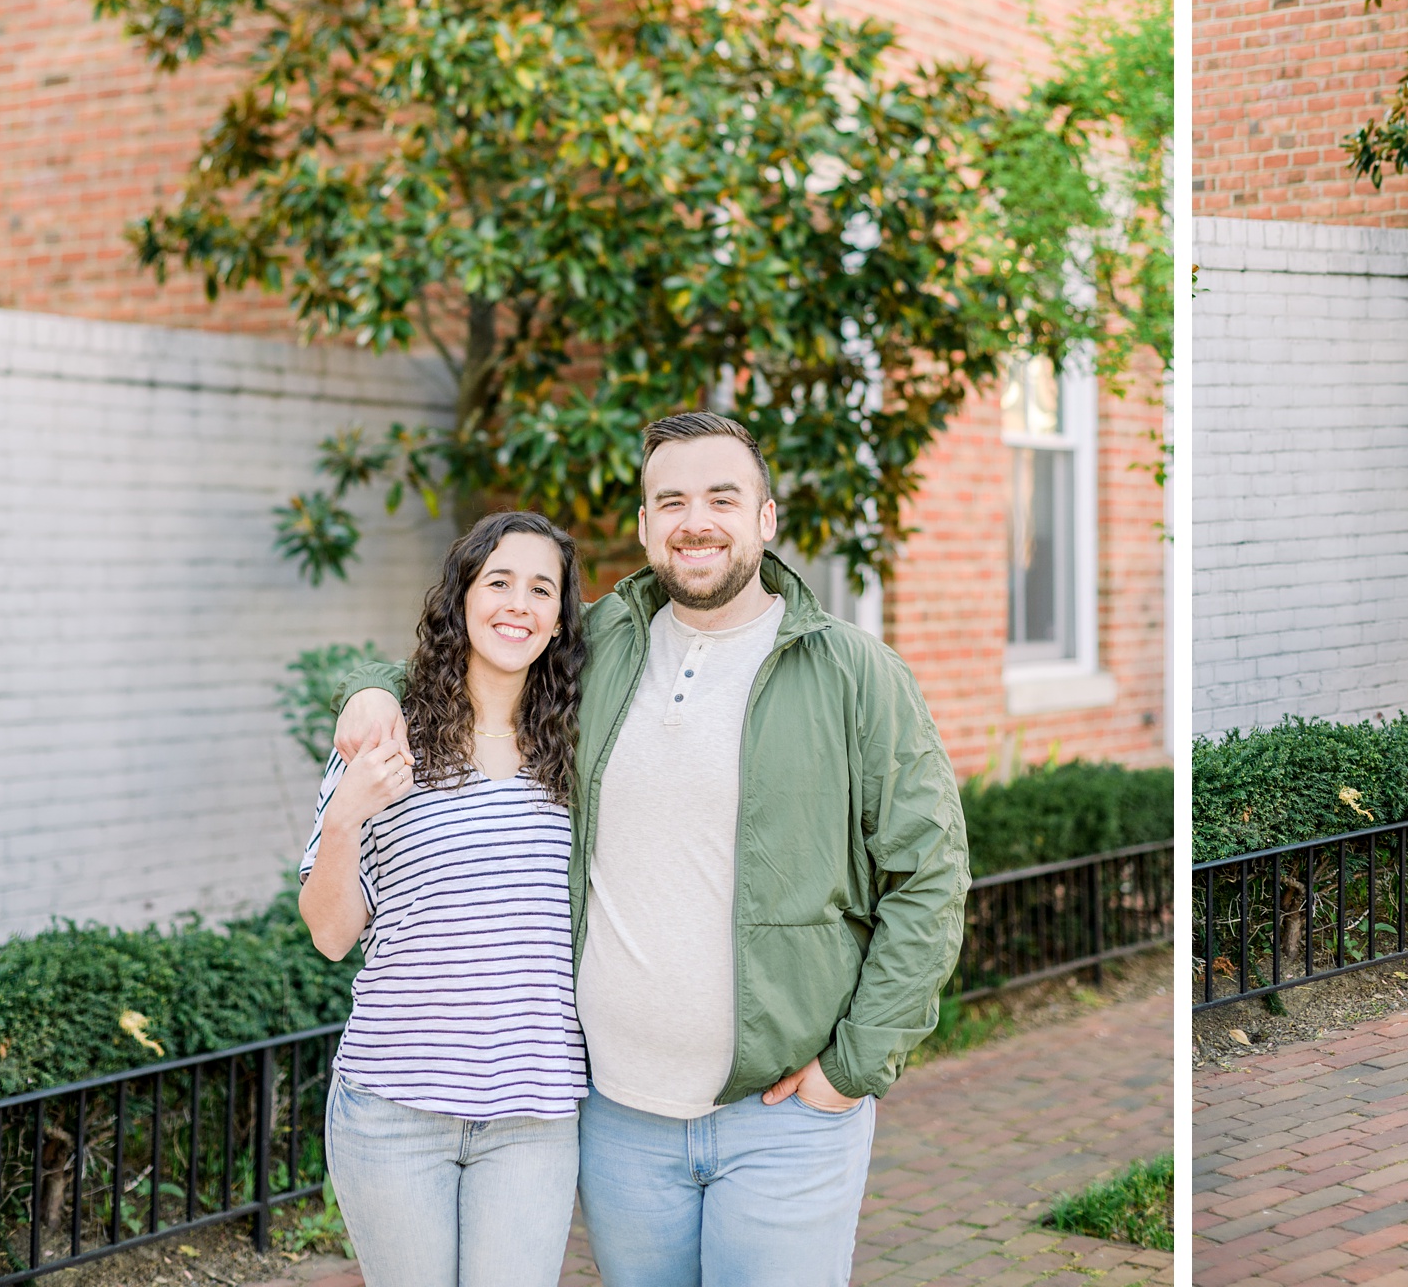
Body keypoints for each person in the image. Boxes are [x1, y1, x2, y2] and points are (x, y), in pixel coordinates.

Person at [331, 411, 968, 1287]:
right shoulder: (600, 646)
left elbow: (930, 877)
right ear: (643, 526)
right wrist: (364, 693)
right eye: (670, 500)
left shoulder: (855, 672)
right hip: (618, 1120)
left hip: (781, 1115)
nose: (694, 520)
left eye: (721, 497)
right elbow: (473, 653)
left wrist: (853, 1067)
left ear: (766, 519)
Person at [299, 510, 591, 1287]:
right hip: (394, 1112)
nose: (517, 605)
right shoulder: (388, 741)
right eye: (498, 581)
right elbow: (330, 934)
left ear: (560, 619)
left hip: (533, 1117)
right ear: (461, 596)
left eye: (541, 589)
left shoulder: (580, 753)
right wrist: (343, 818)